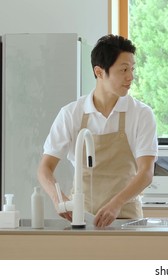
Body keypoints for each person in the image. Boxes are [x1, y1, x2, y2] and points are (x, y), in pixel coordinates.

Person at [37, 34, 158, 227]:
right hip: (82, 217)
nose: (131, 77)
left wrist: (116, 204)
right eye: (124, 69)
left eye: (132, 69)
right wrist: (58, 198)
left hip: (127, 217)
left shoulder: (141, 114)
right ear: (99, 72)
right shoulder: (71, 113)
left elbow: (146, 172)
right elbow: (45, 168)